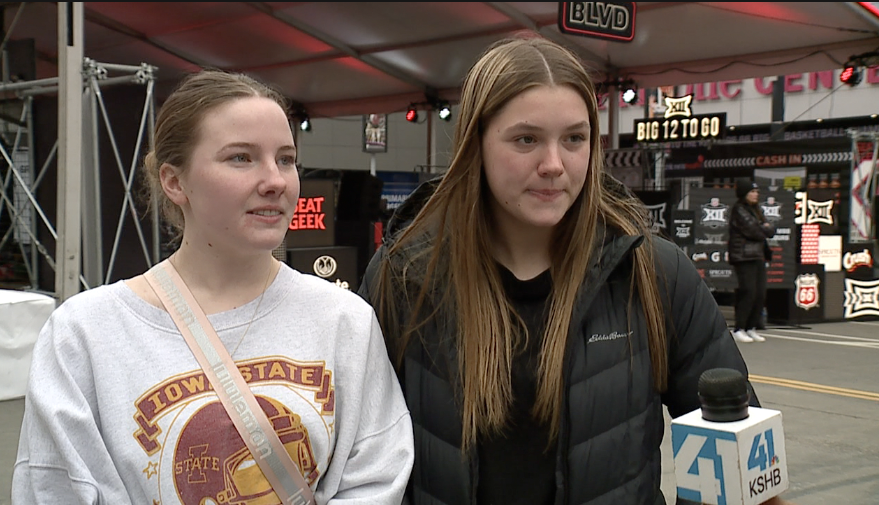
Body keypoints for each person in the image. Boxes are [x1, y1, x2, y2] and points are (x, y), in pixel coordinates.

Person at [358, 35, 794, 505]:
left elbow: (737, 463)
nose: (553, 164)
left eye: (574, 139)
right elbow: (355, 461)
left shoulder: (655, 272)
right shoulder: (404, 275)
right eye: (526, 139)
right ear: (475, 144)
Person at [13, 70, 413, 504]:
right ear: (174, 181)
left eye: (285, 159)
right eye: (241, 158)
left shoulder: (344, 321)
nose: (276, 181)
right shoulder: (85, 334)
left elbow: (376, 477)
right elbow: (54, 488)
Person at [728, 178, 776, 343]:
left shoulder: (757, 210)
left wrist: (765, 228)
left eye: (756, 192)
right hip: (743, 256)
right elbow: (753, 230)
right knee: (748, 292)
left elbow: (771, 230)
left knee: (760, 293)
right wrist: (764, 228)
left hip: (758, 255)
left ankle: (751, 327)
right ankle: (739, 328)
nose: (755, 195)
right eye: (752, 192)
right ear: (744, 193)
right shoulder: (739, 210)